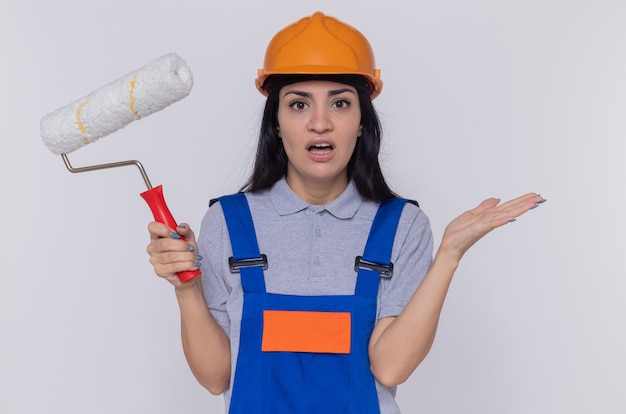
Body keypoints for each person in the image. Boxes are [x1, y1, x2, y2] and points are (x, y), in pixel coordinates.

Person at [146, 11, 545, 414]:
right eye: (299, 104)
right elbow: (216, 377)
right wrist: (187, 289)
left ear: (360, 122)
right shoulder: (228, 223)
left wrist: (449, 255)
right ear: (277, 123)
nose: (320, 123)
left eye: (340, 103)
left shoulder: (400, 226)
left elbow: (390, 367)